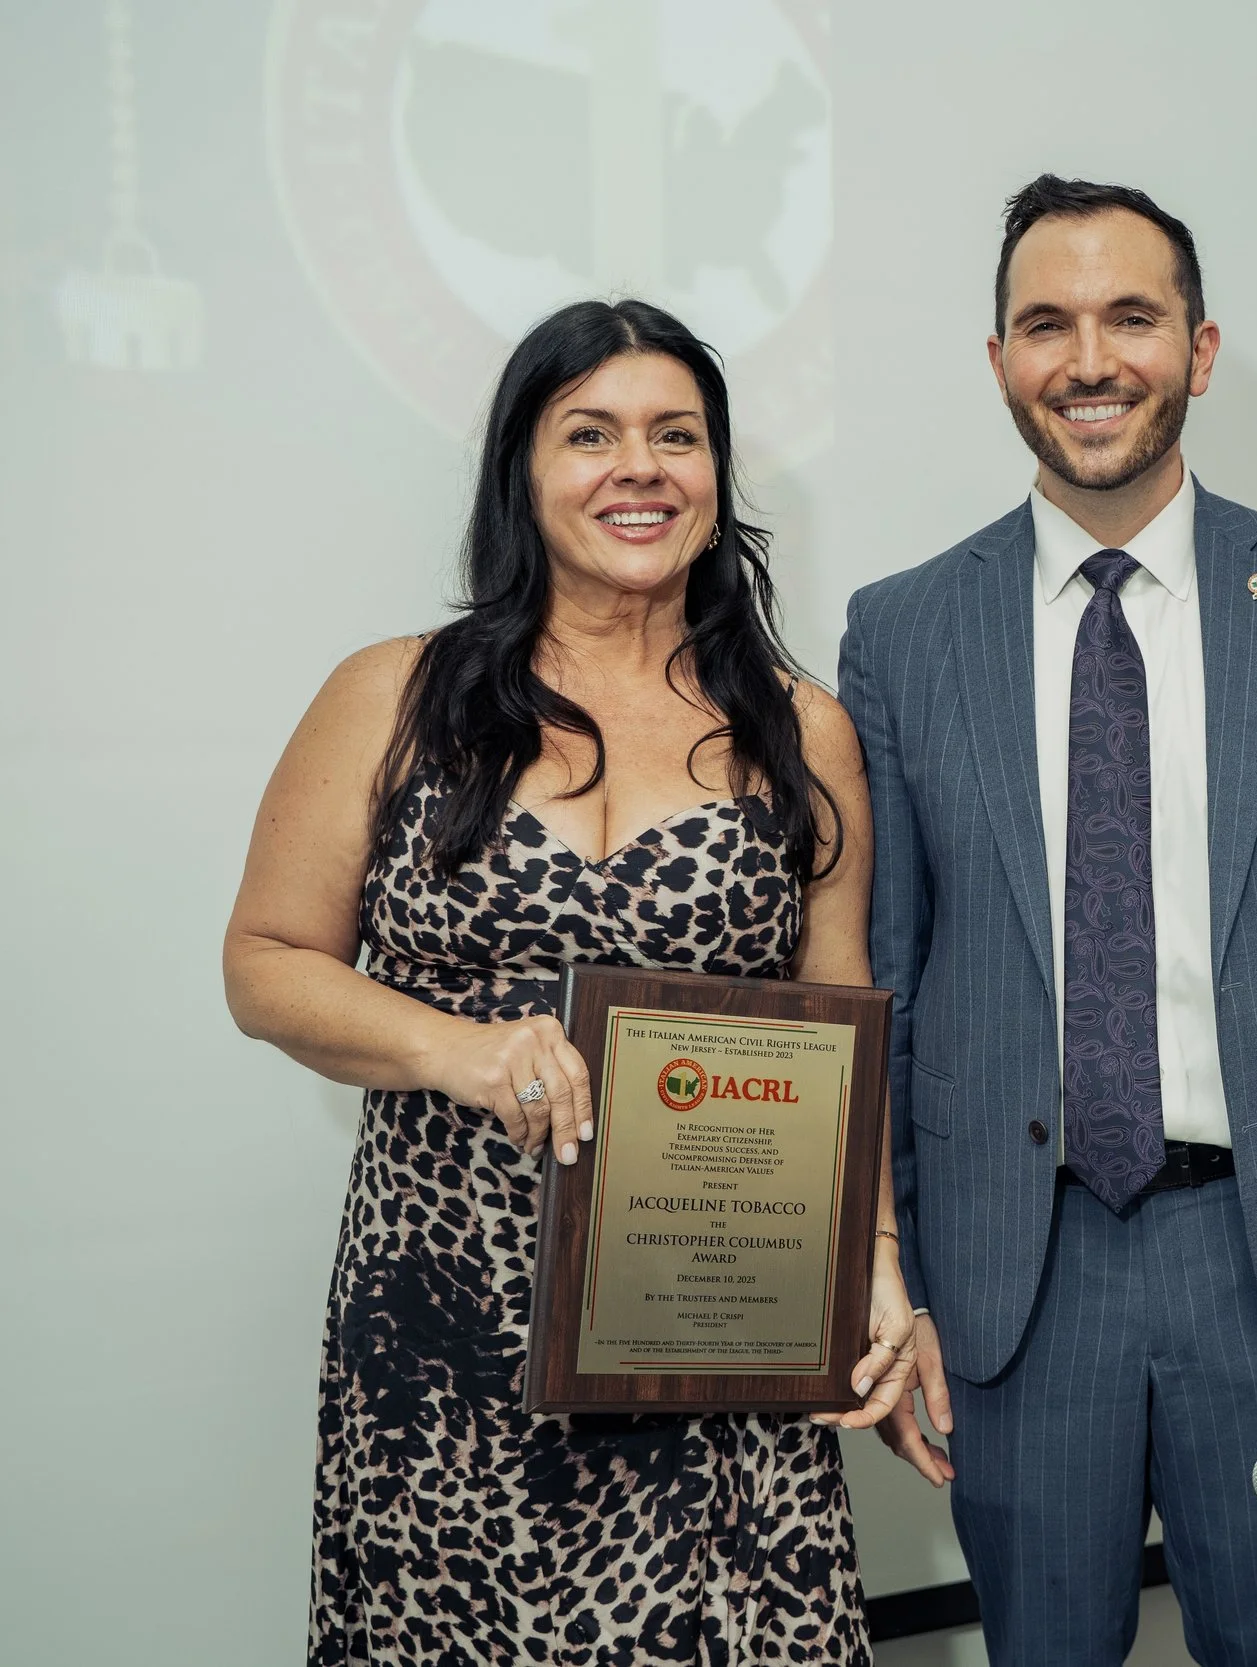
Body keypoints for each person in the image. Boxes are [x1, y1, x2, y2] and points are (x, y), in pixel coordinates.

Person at [838, 176, 1257, 1666]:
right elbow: (890, 980)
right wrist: (888, 1277)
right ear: (997, 358)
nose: (1090, 357)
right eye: (1046, 323)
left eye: (1132, 316)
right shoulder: (904, 628)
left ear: (1199, 349)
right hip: (1014, 1277)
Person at [223, 299, 913, 1664]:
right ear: (523, 473)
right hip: (446, 1342)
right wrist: (457, 1049)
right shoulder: (395, 695)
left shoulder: (801, 728)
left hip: (713, 1336)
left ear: (717, 479)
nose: (638, 468)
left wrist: (877, 1265)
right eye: (588, 433)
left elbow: (841, 1022)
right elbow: (265, 963)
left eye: (677, 435)